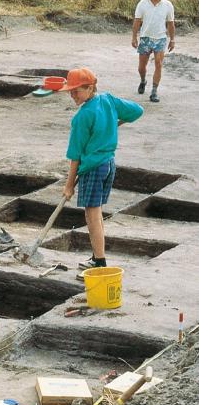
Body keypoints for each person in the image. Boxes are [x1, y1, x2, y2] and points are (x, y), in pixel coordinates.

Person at [59, 68, 143, 278]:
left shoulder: (82, 117)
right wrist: (113, 125)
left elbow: (75, 155)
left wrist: (69, 185)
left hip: (93, 169)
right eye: (70, 91)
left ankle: (100, 262)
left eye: (76, 91)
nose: (72, 95)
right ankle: (97, 257)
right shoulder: (108, 100)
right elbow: (137, 111)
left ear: (90, 88)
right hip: (108, 164)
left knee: (92, 215)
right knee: (96, 214)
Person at [131, 0, 175, 103]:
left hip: (160, 39)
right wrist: (134, 37)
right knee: (141, 67)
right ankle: (143, 80)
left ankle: (154, 92)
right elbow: (137, 21)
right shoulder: (142, 3)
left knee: (158, 64)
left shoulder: (168, 5)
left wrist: (172, 40)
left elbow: (171, 23)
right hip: (145, 38)